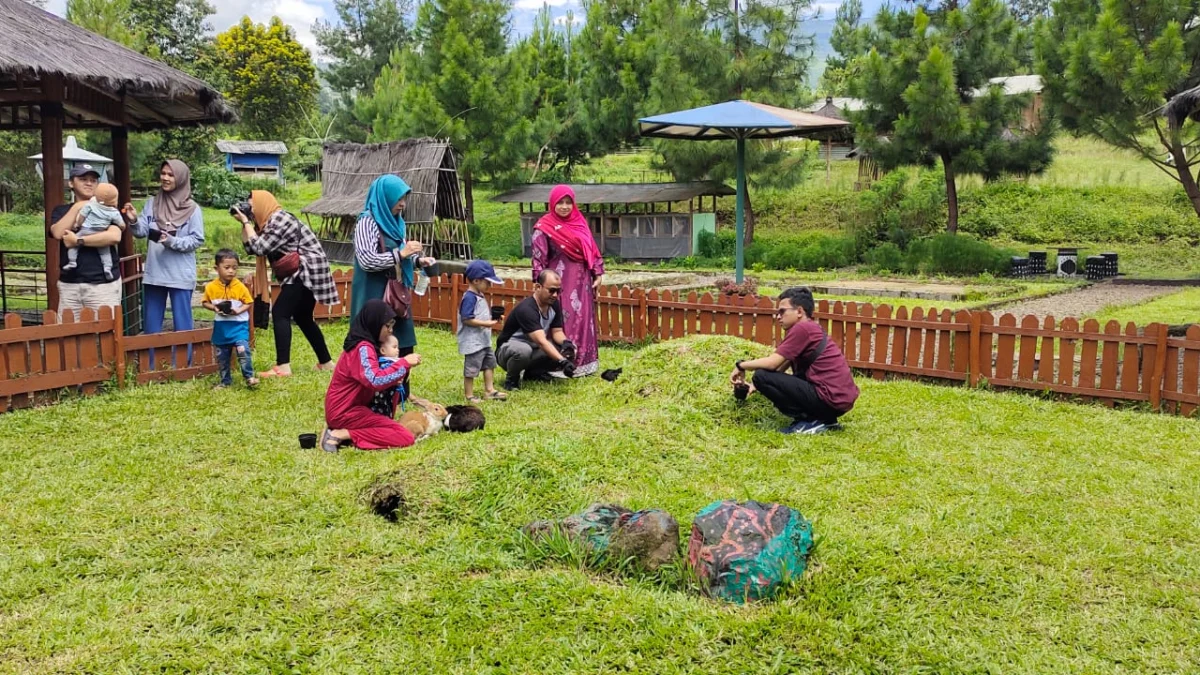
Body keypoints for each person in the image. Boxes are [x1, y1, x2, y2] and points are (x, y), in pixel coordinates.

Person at [730, 287, 859, 435]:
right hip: (837, 400)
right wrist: (755, 386)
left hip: (829, 399)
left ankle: (809, 421)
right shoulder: (810, 328)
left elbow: (771, 363)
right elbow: (779, 367)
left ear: (799, 311)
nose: (778, 317)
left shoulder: (802, 329)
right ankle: (825, 420)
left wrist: (740, 365)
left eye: (782, 311)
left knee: (761, 376)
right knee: (763, 378)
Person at [235, 190, 337, 378]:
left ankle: (283, 366)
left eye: (251, 205)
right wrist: (245, 224)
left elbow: (259, 248)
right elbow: (251, 247)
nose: (249, 208)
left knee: (281, 313)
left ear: (263, 203)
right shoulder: (266, 223)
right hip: (305, 270)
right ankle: (326, 363)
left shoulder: (279, 219)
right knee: (303, 317)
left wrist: (246, 222)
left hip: (306, 270)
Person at [350, 175, 433, 398]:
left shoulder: (397, 223)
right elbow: (366, 260)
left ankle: (400, 394)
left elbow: (400, 257)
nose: (403, 203)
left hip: (397, 295)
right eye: (398, 199)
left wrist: (416, 260)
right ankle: (371, 394)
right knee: (374, 342)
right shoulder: (367, 222)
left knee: (402, 342)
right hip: (374, 293)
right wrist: (401, 253)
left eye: (404, 198)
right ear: (384, 198)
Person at [322, 299, 422, 452]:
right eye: (387, 326)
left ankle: (344, 431)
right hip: (344, 412)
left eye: (392, 326)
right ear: (374, 323)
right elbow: (375, 379)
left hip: (351, 409)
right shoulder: (363, 347)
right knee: (405, 436)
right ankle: (341, 433)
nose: (390, 331)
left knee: (390, 426)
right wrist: (404, 363)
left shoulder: (365, 343)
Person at [122, 160, 204, 334]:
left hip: (180, 274)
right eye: (163, 173)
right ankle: (151, 361)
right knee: (151, 326)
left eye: (171, 174)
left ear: (181, 178)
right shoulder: (151, 204)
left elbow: (197, 239)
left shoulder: (193, 208)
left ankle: (183, 361)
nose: (165, 178)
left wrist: (171, 241)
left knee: (182, 328)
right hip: (155, 273)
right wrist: (134, 220)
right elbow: (141, 231)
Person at [532, 185, 604, 378]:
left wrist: (597, 272)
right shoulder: (544, 227)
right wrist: (540, 286)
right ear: (552, 203)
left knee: (583, 321)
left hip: (582, 283)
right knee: (562, 322)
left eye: (568, 202)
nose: (564, 207)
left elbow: (592, 250)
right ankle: (558, 364)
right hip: (558, 284)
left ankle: (584, 363)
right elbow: (538, 259)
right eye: (560, 203)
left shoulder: (580, 223)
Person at [48, 164, 123, 316]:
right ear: (71, 183)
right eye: (83, 179)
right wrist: (80, 206)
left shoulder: (108, 209)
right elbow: (57, 233)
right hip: (69, 284)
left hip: (102, 284)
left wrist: (77, 240)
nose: (89, 183)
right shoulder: (61, 210)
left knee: (105, 335)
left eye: (93, 180)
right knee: (68, 336)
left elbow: (114, 236)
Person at [496, 270, 576, 391]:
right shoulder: (526, 309)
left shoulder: (553, 304)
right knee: (524, 351)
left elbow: (557, 332)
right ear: (538, 287)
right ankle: (511, 380)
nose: (555, 295)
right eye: (551, 290)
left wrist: (567, 344)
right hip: (508, 350)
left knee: (566, 349)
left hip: (533, 347)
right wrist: (563, 361)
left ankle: (534, 373)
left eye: (558, 291)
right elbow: (541, 342)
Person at [200, 249, 258, 389]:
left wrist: (238, 310)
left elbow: (248, 302)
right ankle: (225, 381)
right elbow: (204, 302)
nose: (231, 271)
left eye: (234, 268)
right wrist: (214, 308)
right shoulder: (211, 287)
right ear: (216, 268)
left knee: (243, 350)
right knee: (222, 356)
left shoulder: (240, 287)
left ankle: (249, 376)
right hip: (221, 327)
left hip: (239, 325)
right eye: (227, 268)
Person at [458, 260, 507, 402]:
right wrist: (486, 323)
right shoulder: (469, 297)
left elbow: (480, 314)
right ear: (476, 280)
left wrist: (494, 318)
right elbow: (466, 319)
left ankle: (489, 390)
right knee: (471, 369)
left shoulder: (479, 295)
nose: (490, 285)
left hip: (484, 341)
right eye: (488, 282)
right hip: (473, 343)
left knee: (489, 364)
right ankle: (469, 395)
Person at [64, 183, 123, 280]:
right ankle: (107, 267)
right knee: (105, 253)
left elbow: (82, 216)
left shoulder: (91, 204)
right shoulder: (114, 211)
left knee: (73, 247)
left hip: (86, 229)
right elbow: (121, 224)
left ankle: (72, 262)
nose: (88, 183)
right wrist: (123, 226)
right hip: (101, 232)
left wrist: (77, 227)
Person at [370, 334, 404, 418]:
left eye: (398, 347)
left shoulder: (393, 362)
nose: (398, 350)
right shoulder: (384, 364)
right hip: (381, 398)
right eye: (394, 347)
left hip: (391, 395)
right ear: (383, 350)